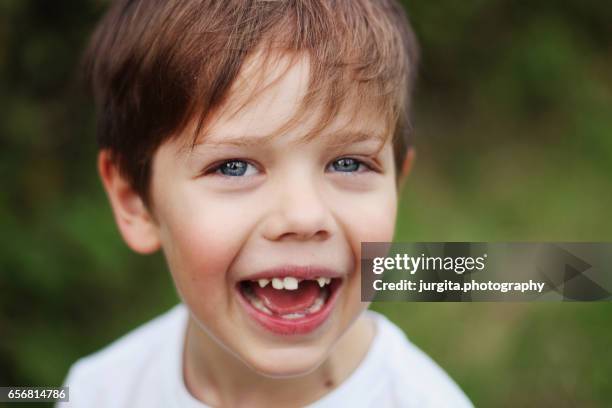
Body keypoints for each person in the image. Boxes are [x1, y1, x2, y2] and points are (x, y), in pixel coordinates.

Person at [60, 0, 473, 406]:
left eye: (349, 163)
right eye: (234, 167)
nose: (304, 216)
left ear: (396, 187)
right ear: (134, 200)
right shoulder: (98, 392)